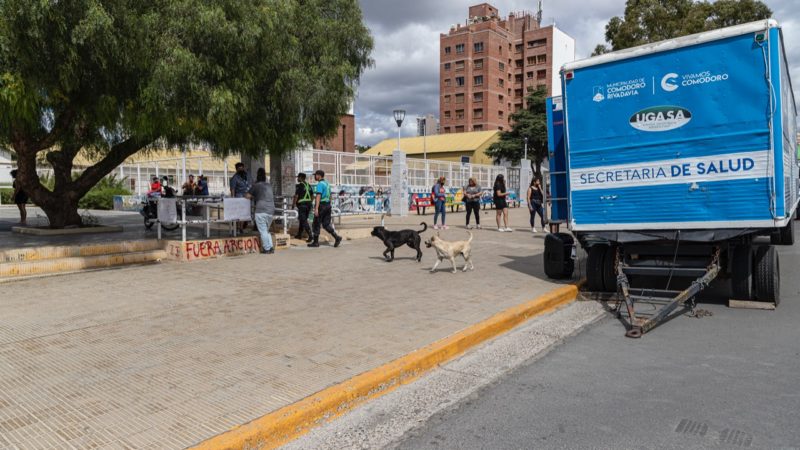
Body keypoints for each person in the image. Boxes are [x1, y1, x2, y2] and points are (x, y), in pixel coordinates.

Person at [308, 169, 342, 248]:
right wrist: (329, 205)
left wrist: (316, 208)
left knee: (316, 223)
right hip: (327, 206)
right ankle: (337, 237)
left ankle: (315, 242)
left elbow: (318, 196)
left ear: (319, 176)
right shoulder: (327, 184)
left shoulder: (320, 184)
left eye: (315, 175)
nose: (314, 177)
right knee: (326, 224)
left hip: (322, 206)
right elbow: (330, 196)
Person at [246, 168, 275, 254]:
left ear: (257, 176)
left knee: (263, 231)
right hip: (271, 210)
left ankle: (266, 249)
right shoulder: (269, 185)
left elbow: (247, 196)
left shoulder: (256, 185)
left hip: (261, 210)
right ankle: (271, 247)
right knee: (266, 230)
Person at [292, 172, 314, 242]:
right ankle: (299, 234)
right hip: (308, 205)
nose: (297, 178)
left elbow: (296, 196)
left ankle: (310, 236)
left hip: (302, 205)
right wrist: (310, 202)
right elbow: (312, 196)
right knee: (302, 220)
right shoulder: (309, 185)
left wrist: (293, 204)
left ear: (301, 178)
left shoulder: (299, 186)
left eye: (298, 177)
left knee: (303, 220)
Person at [230, 162, 251, 231]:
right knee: (239, 213)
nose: (241, 169)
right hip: (239, 197)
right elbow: (232, 188)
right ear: (236, 169)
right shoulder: (235, 178)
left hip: (247, 197)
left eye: (242, 168)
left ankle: (241, 227)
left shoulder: (247, 176)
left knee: (244, 213)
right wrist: (233, 199)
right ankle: (238, 227)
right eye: (239, 168)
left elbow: (251, 184)